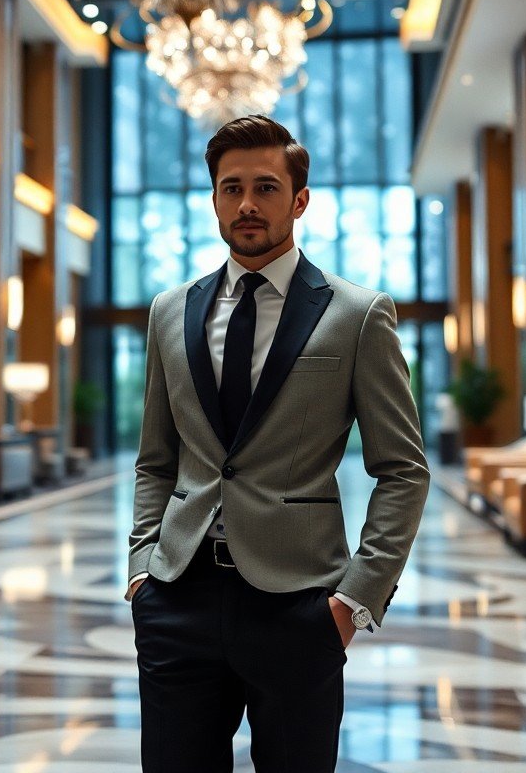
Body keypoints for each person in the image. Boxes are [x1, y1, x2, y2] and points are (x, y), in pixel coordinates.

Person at [126, 114, 430, 772]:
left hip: (299, 605)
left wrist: (354, 600)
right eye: (230, 188)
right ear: (212, 199)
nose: (246, 205)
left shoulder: (357, 315)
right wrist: (141, 568)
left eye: (266, 188)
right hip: (179, 596)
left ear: (299, 200)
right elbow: (156, 457)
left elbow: (403, 469)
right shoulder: (169, 311)